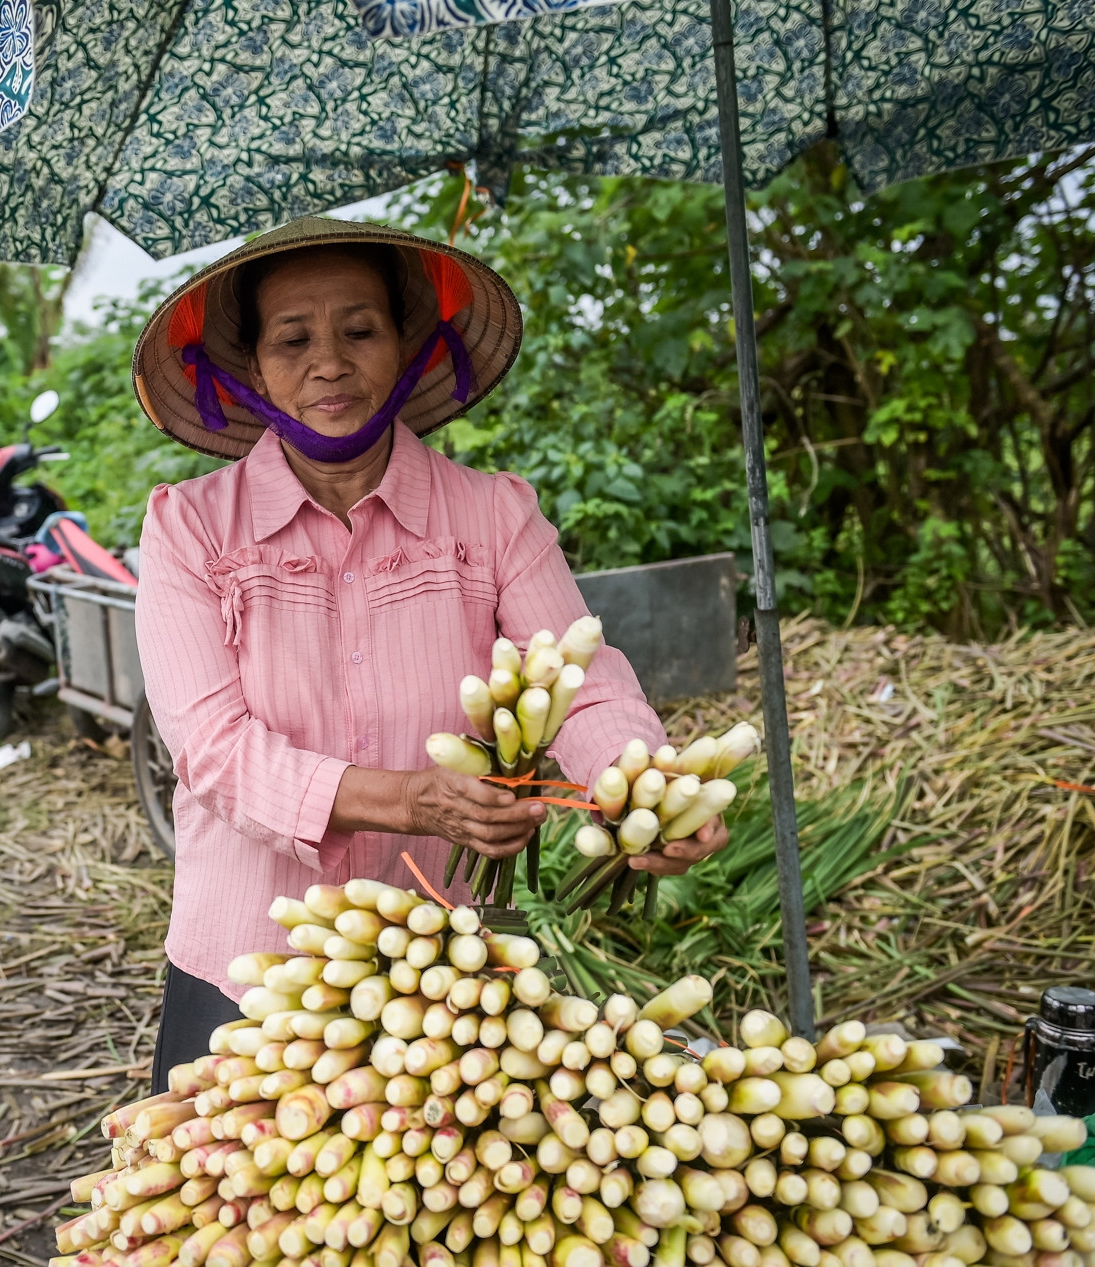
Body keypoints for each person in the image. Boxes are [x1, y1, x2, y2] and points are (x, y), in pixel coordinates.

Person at [131, 218, 732, 1093]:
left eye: (360, 330)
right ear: (251, 369)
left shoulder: (491, 515)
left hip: (443, 960)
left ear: (410, 344)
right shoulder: (189, 529)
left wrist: (642, 787)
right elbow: (214, 752)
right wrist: (413, 801)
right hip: (248, 960)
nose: (328, 362)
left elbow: (581, 678)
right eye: (292, 340)